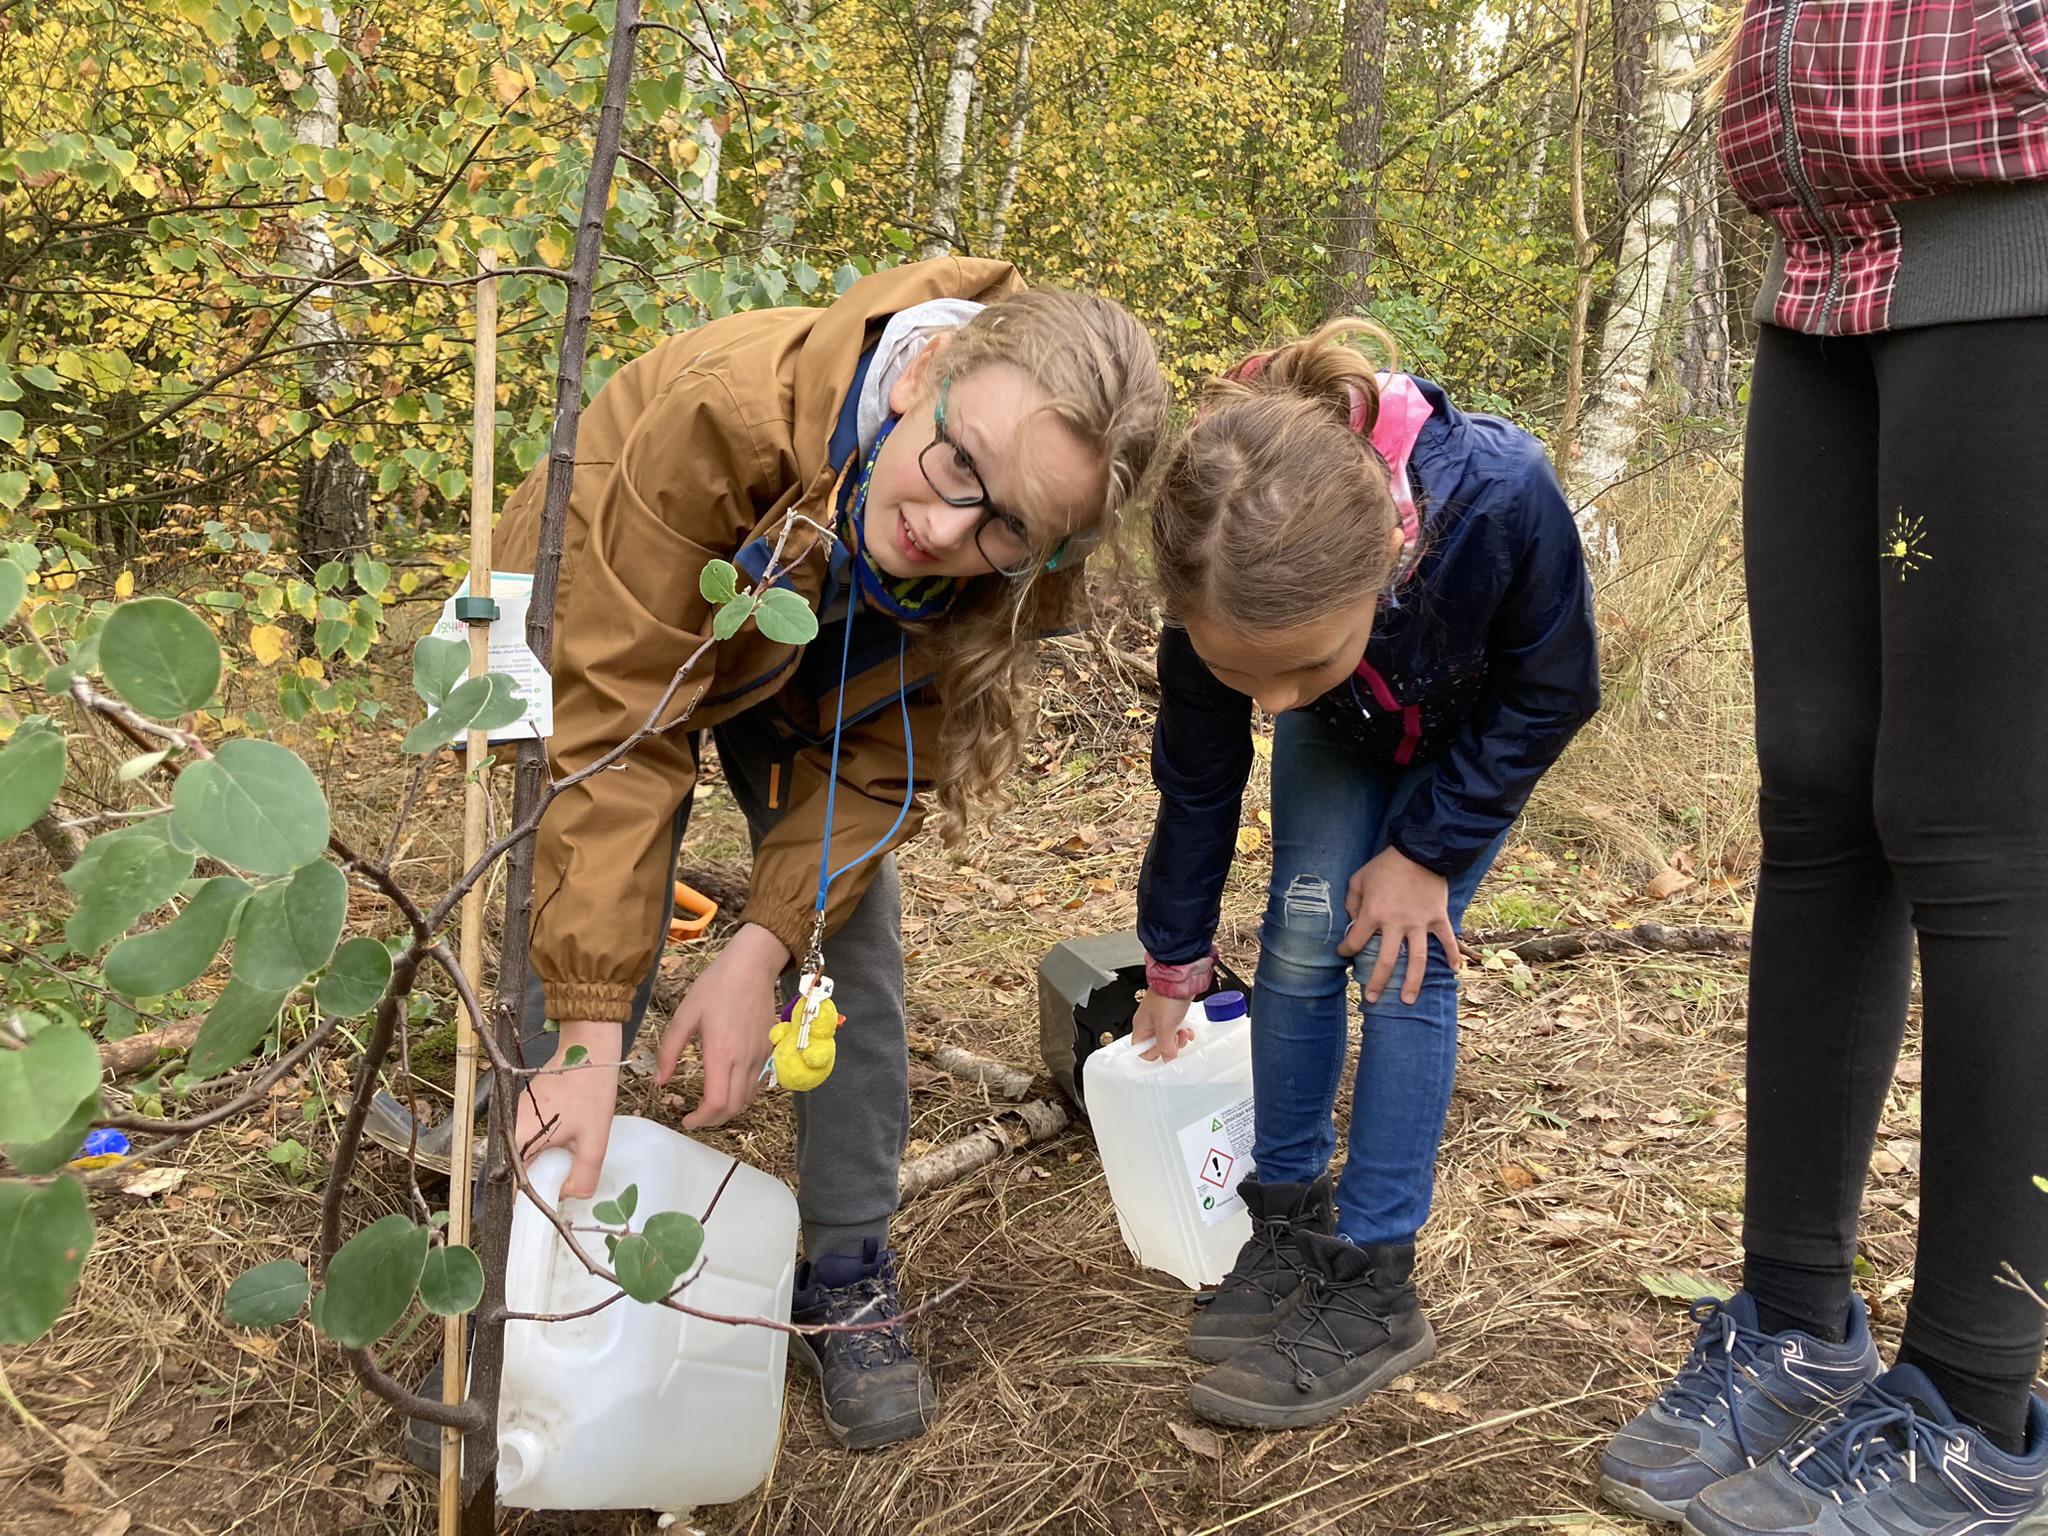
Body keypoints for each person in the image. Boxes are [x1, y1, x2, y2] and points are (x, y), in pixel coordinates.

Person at [495, 257, 1167, 1450]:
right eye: (958, 464)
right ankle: (520, 1232)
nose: (946, 528)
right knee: (563, 914)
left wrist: (762, 943)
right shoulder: (724, 414)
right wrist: (594, 1026)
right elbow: (615, 739)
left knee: (846, 946)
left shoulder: (1019, 562)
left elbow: (874, 770)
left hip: (809, 661)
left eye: (1004, 525)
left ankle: (847, 1265)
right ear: (921, 372)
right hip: (611, 610)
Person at [1595, 4, 2048, 1530]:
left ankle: (1977, 1410)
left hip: (2014, 230)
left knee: (1981, 833)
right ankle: (1795, 1320)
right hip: (1819, 260)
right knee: (1816, 795)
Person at [1129, 320, 1599, 1430]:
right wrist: (1173, 959)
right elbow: (1198, 783)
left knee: (1395, 958)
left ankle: (1375, 1277)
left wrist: (1425, 855)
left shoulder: (1497, 496)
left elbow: (1550, 691)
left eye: (1291, 664)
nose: (1269, 700)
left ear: (1388, 553)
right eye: (1244, 675)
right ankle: (1287, 1218)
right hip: (1354, 724)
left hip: (1470, 734)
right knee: (1296, 937)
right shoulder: (1218, 561)